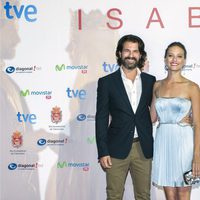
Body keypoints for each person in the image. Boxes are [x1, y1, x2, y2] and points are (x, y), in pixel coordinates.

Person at [95, 34, 156, 200]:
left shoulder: (151, 81)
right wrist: (102, 151)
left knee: (144, 195)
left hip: (143, 147)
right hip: (115, 148)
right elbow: (101, 118)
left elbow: (158, 109)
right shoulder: (106, 82)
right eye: (127, 50)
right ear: (119, 53)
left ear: (140, 55)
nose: (131, 54)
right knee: (114, 195)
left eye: (135, 51)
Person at [151, 42, 200, 200]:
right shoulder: (157, 86)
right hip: (163, 142)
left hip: (185, 144)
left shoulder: (192, 87)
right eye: (171, 55)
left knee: (184, 192)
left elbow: (198, 123)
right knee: (169, 194)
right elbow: (151, 117)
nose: (174, 59)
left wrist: (197, 156)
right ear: (165, 59)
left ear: (184, 61)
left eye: (179, 56)